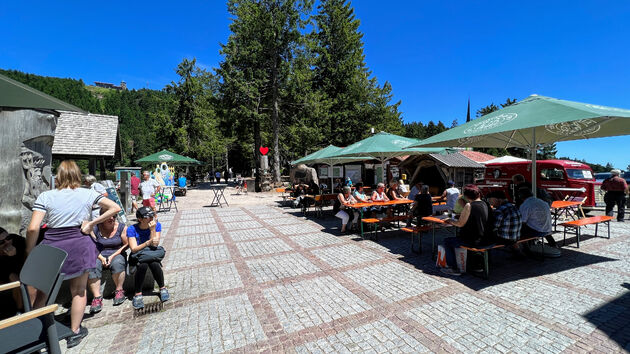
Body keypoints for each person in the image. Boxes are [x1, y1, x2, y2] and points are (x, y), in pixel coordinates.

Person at [26, 160, 121, 348]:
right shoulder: (88, 194)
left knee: (44, 292)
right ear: (78, 175)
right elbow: (115, 208)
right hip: (79, 241)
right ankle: (75, 331)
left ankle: (36, 331)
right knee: (78, 290)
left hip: (52, 244)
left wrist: (30, 251)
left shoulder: (46, 196)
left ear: (58, 176)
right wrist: (92, 224)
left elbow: (33, 228)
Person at [441, 185, 492, 275]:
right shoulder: (485, 203)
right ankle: (474, 263)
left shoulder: (469, 205)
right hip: (487, 238)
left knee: (447, 241)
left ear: (467, 196)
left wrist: (450, 221)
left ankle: (453, 268)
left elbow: (460, 224)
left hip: (474, 240)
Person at [87, 205, 128, 313]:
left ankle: (119, 290)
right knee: (92, 265)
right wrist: (100, 257)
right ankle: (97, 297)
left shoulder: (121, 227)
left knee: (118, 262)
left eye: (113, 216)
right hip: (99, 254)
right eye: (108, 217)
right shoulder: (96, 228)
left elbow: (126, 244)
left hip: (116, 252)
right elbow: (92, 245)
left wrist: (112, 256)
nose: (111, 219)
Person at [127, 207, 169, 309]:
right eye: (148, 216)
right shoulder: (132, 229)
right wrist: (147, 243)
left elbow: (155, 244)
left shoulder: (156, 225)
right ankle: (138, 293)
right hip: (138, 254)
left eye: (152, 215)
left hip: (150, 252)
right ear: (140, 219)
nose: (151, 218)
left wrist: (152, 230)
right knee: (143, 265)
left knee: (153, 263)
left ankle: (162, 288)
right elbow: (133, 249)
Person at [487, 190, 524, 256]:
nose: (491, 203)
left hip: (505, 239)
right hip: (516, 236)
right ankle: (517, 252)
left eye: (491, 201)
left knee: (484, 236)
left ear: (498, 199)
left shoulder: (500, 210)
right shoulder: (513, 206)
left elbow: (494, 226)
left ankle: (486, 259)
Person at [0, 227, 27, 319]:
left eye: (8, 238)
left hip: (20, 272)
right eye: (1, 242)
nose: (7, 242)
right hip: (4, 275)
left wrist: (13, 257)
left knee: (15, 279)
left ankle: (20, 310)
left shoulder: (18, 241)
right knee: (13, 278)